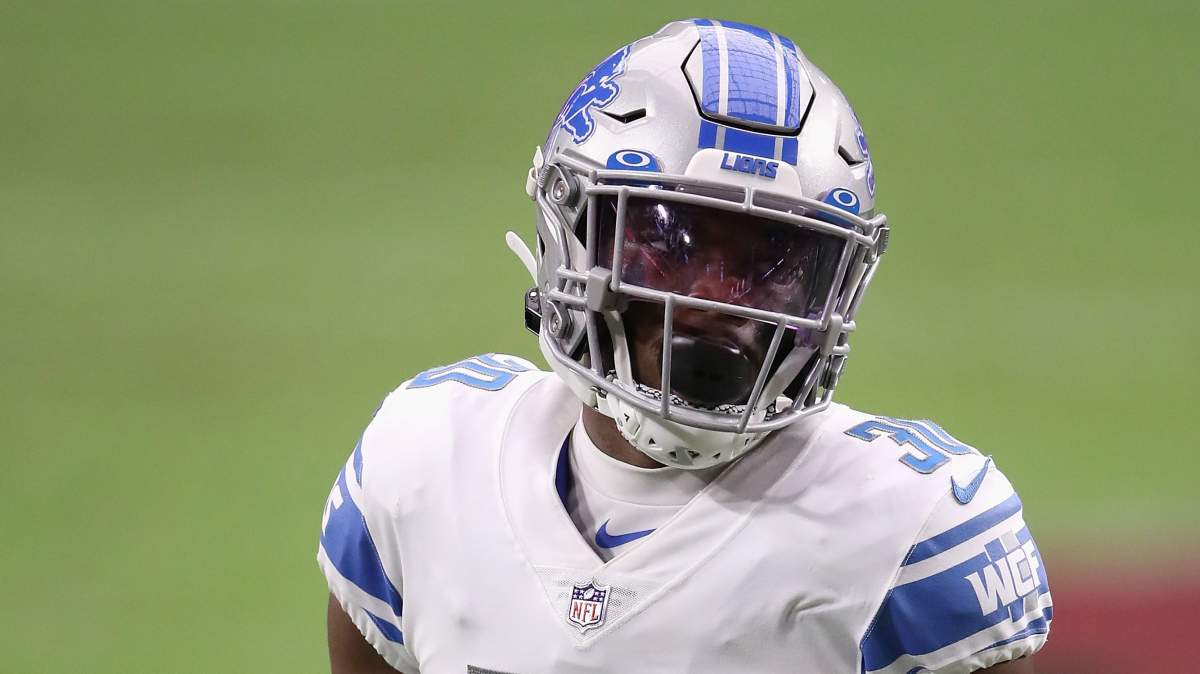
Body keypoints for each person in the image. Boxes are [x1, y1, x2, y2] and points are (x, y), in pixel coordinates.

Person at [318, 19, 1052, 674]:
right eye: (671, 241)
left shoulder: (911, 535)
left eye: (772, 261)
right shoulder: (428, 464)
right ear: (575, 239)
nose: (716, 297)